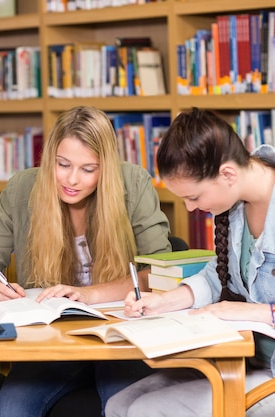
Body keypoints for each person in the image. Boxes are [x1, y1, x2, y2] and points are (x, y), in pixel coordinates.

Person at [0, 106, 172, 416]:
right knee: (9, 410)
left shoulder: (134, 183)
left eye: (88, 169)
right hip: (52, 341)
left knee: (124, 407)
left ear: (106, 167)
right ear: (50, 159)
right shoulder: (22, 188)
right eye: (63, 165)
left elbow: (161, 272)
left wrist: (90, 294)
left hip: (120, 336)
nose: (72, 180)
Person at [105, 108, 275, 417]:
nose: (190, 208)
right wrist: (163, 302)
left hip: (268, 371)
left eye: (194, 197)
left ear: (227, 174)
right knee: (117, 406)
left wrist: (256, 312)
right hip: (241, 357)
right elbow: (216, 276)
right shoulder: (236, 203)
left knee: (144, 411)